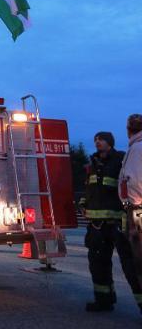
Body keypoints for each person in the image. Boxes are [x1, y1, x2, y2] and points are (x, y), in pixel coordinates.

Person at [79, 131, 142, 313]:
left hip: (119, 222)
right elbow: (88, 188)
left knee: (132, 266)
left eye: (101, 139)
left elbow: (130, 185)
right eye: (95, 139)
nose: (97, 142)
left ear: (110, 142)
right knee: (98, 264)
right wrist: (83, 203)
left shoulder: (122, 160)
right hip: (97, 225)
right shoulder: (92, 164)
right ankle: (103, 301)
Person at [119, 114, 142, 284]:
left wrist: (130, 205)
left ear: (129, 129)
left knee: (138, 253)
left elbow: (132, 180)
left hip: (137, 208)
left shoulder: (136, 148)